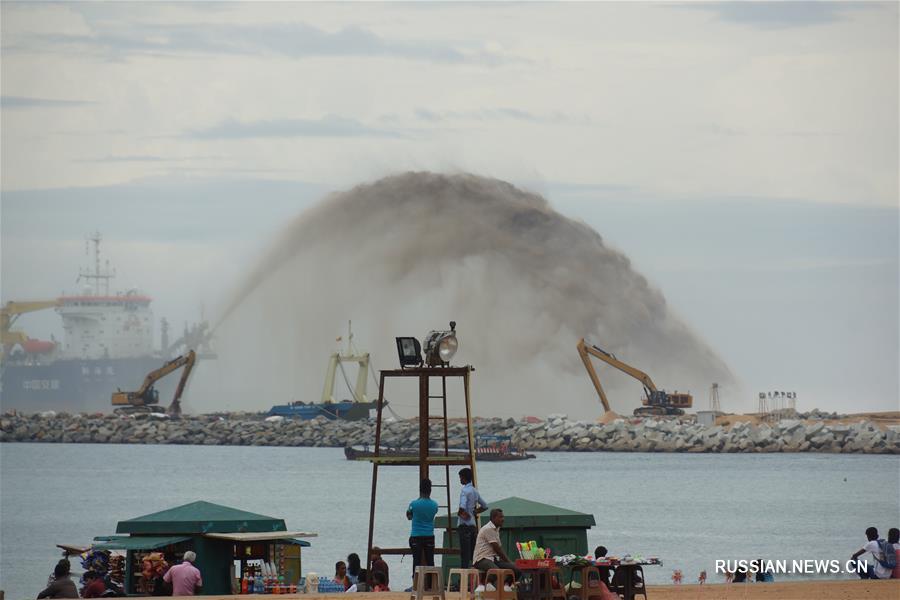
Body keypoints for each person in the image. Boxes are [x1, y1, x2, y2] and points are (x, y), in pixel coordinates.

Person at [472, 508, 519, 590]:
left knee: (517, 569)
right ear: (493, 518)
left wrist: (510, 564)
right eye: (500, 517)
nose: (503, 519)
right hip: (481, 559)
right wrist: (508, 561)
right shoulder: (488, 529)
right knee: (496, 571)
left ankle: (506, 586)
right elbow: (497, 549)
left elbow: (499, 547)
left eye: (503, 517)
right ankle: (485, 585)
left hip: (493, 559)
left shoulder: (496, 529)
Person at [407, 478, 439, 579]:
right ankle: (431, 584)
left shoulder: (413, 504)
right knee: (430, 561)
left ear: (420, 489)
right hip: (429, 535)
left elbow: (409, 516)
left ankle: (416, 583)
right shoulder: (435, 505)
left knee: (416, 561)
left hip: (416, 536)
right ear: (430, 490)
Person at [457, 468, 489, 569]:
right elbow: (485, 506)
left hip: (464, 526)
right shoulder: (475, 491)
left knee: (464, 555)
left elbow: (462, 506)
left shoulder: (464, 491)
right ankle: (474, 575)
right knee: (472, 554)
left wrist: (461, 514)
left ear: (463, 478)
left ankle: (464, 576)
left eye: (460, 477)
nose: (460, 480)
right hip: (472, 526)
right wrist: (474, 512)